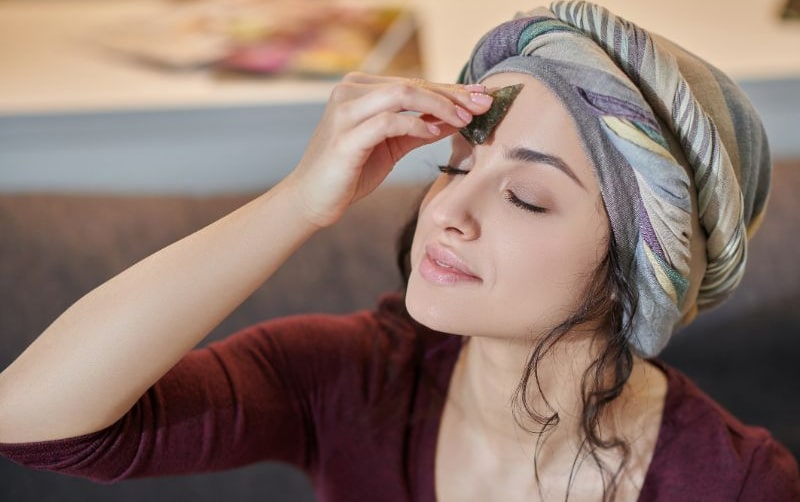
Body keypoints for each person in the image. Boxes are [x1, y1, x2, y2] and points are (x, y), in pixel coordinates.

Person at [0, 1, 798, 500]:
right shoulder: (353, 379)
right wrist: (298, 200)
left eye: (525, 195)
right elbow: (32, 419)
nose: (447, 210)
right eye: (456, 164)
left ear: (637, 274)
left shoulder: (735, 485)